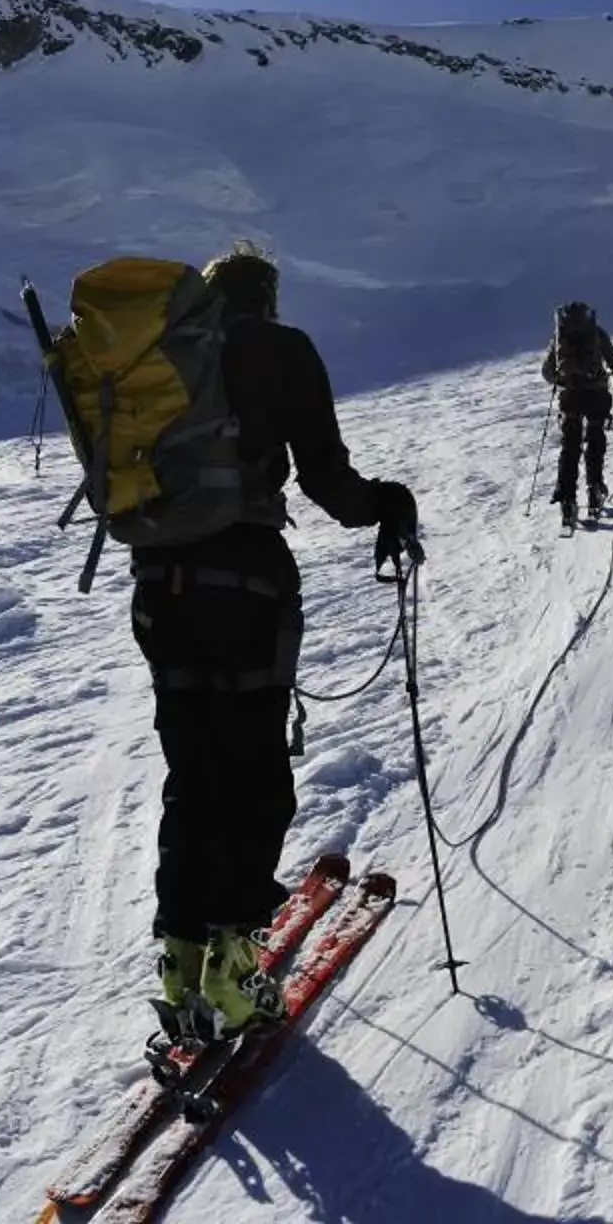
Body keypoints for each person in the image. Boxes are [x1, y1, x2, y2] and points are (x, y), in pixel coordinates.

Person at [138, 243, 416, 1046]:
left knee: (191, 775)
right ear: (268, 296)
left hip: (159, 588)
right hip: (249, 587)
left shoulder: (162, 357)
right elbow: (327, 480)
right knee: (254, 774)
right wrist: (388, 505)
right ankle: (234, 966)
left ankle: (180, 958)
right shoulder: (282, 350)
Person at [540, 301, 613, 528]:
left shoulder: (560, 334)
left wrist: (561, 381)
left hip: (570, 396)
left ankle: (568, 500)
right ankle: (595, 489)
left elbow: (547, 371)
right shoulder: (597, 333)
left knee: (570, 446)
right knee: (595, 441)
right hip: (597, 394)